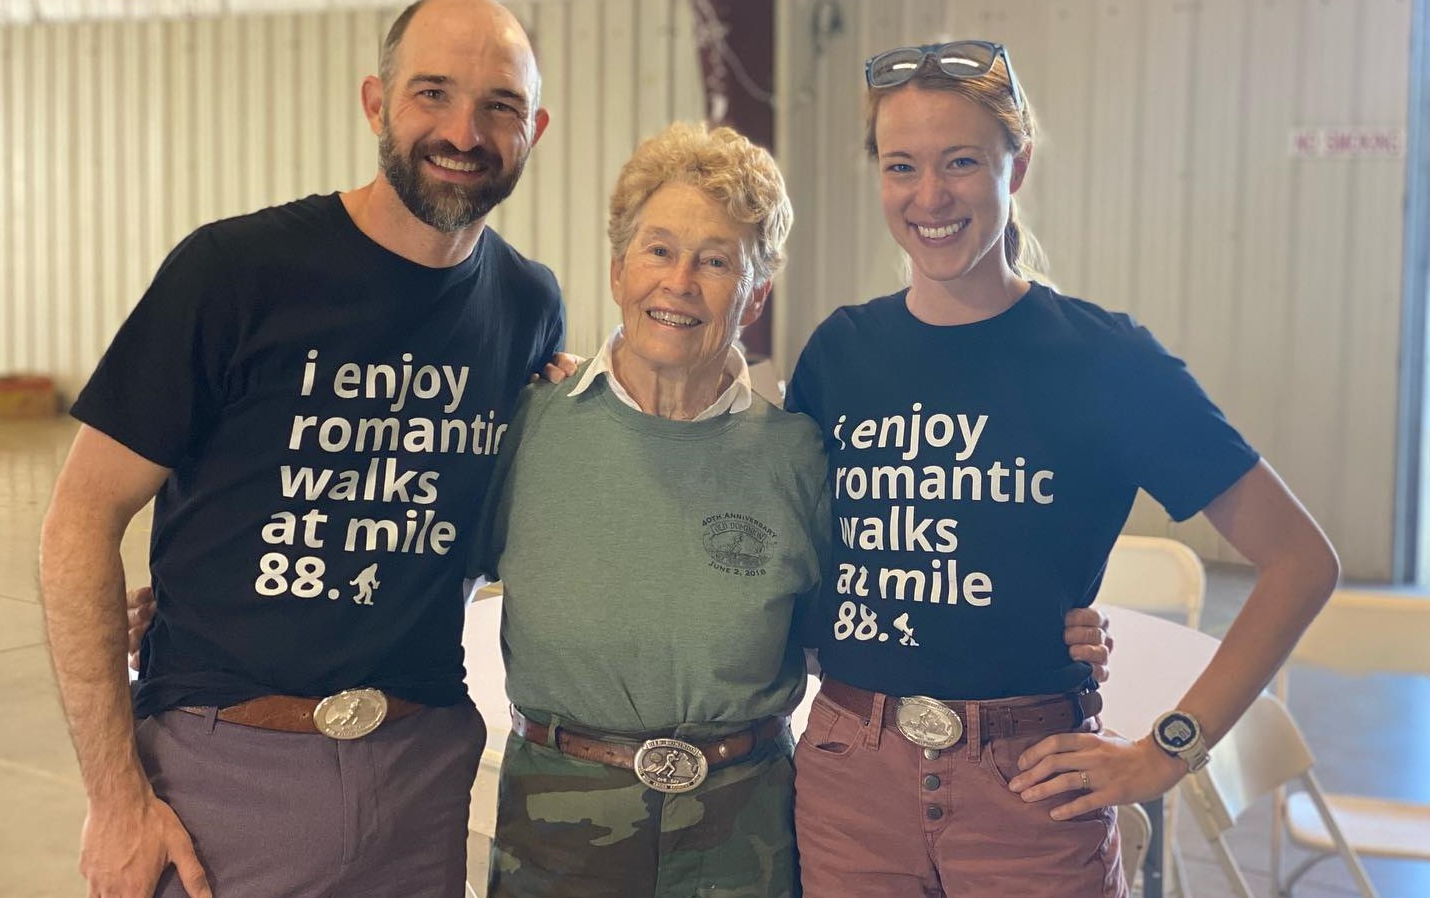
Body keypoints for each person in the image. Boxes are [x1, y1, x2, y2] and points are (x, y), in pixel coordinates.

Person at [471, 121, 1113, 898]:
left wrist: (1042, 624)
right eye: (659, 250)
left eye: (717, 261)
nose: (679, 282)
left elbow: (875, 606)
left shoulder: (798, 455)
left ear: (756, 293)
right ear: (617, 270)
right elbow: (432, 582)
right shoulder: (529, 428)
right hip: (556, 820)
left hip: (743, 829)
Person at [39, 0, 563, 898]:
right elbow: (80, 519)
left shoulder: (525, 304)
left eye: (499, 106)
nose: (464, 132)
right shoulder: (236, 273)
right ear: (375, 103)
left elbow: (468, 523)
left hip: (420, 776)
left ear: (535, 129)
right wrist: (116, 799)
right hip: (218, 777)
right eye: (431, 93)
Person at [786, 40, 1338, 897]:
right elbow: (796, 549)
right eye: (902, 166)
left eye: (961, 162)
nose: (929, 197)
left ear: (1020, 164)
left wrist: (1169, 751)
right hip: (848, 781)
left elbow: (1302, 562)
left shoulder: (1103, 358)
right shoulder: (840, 355)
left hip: (1030, 789)